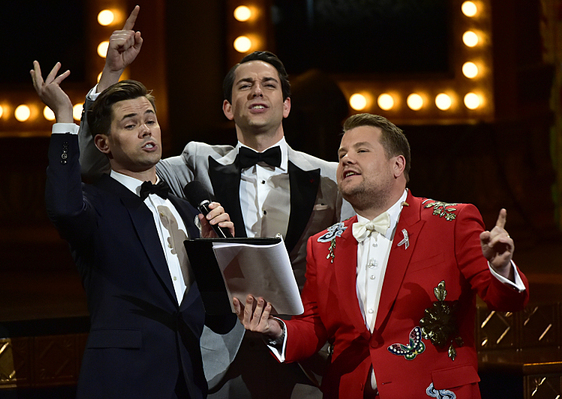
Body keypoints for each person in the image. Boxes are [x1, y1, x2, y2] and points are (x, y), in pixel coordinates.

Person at [77, 6, 355, 399]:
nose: (257, 91)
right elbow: (95, 165)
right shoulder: (195, 162)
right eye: (245, 85)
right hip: (218, 359)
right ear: (228, 108)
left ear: (287, 105)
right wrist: (110, 74)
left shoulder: (329, 174)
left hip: (302, 357)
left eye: (268, 84)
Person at [234, 113, 530, 398]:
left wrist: (501, 269)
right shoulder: (322, 245)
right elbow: (314, 326)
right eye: (341, 155)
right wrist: (275, 328)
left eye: (362, 150)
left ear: (397, 165)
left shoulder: (452, 221)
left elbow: (506, 300)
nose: (347, 159)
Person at [31, 60, 235, 399]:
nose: (145, 130)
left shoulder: (186, 211)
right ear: (103, 144)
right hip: (122, 383)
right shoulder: (94, 204)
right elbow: (64, 209)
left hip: (188, 384)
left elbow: (220, 320)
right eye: (130, 124)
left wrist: (213, 257)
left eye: (150, 121)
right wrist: (64, 117)